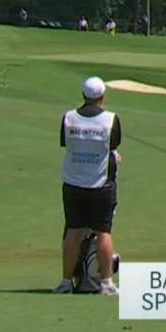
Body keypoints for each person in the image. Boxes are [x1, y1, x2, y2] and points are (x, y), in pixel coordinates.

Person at [55, 77, 122, 296]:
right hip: (100, 184)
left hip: (73, 183)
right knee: (103, 232)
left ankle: (66, 282)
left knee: (73, 231)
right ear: (102, 97)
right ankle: (105, 283)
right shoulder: (111, 119)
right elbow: (112, 147)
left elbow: (67, 143)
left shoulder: (68, 118)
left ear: (83, 95)